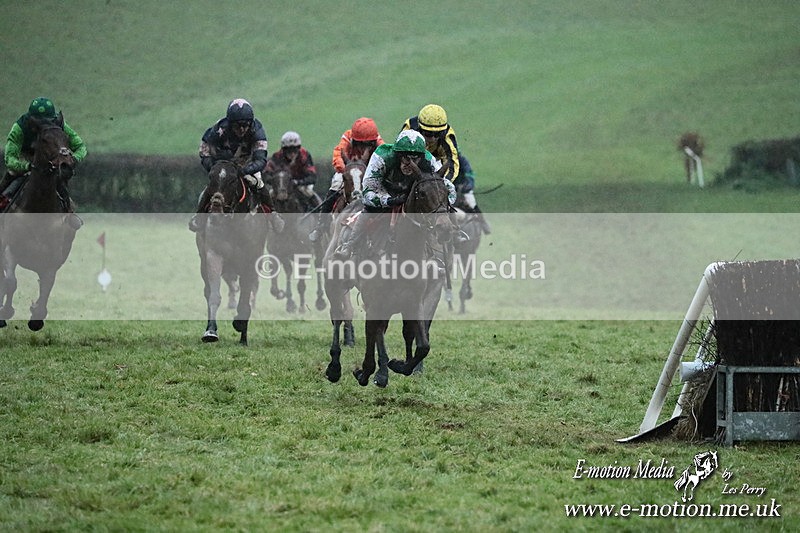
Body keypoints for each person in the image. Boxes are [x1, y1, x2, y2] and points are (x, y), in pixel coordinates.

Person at [333, 130, 455, 259]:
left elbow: (448, 189)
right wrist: (389, 200)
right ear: (398, 155)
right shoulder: (382, 157)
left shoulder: (428, 160)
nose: (411, 163)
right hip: (383, 190)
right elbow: (368, 193)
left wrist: (442, 205)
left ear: (422, 156)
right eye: (406, 158)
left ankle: (440, 251)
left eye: (415, 158)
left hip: (412, 194)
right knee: (368, 209)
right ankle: (349, 246)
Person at [402, 103, 489, 234]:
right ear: (419, 129)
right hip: (412, 161)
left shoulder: (448, 137)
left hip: (436, 166)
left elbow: (452, 164)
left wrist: (442, 183)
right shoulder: (408, 129)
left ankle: (459, 229)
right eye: (427, 133)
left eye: (437, 134)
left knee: (451, 198)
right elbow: (400, 156)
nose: (432, 138)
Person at [0, 97, 87, 222]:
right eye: (39, 123)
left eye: (48, 122)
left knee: (60, 179)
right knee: (12, 174)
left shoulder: (60, 125)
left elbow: (80, 147)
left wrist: (73, 159)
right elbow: (10, 158)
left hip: (50, 160)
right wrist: (26, 166)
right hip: (25, 158)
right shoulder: (19, 128)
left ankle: (69, 212)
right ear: (31, 120)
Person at [189, 98, 270, 232]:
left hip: (247, 164)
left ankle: (272, 215)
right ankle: (199, 217)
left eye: (246, 125)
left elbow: (261, 160)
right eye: (238, 125)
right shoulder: (219, 129)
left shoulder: (258, 131)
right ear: (230, 124)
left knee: (259, 184)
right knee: (212, 186)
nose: (242, 129)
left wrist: (244, 171)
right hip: (224, 164)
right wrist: (213, 168)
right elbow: (205, 149)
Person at [309, 117, 384, 241]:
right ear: (354, 140)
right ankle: (321, 225)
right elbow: (338, 154)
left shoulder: (379, 141)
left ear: (373, 141)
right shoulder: (347, 136)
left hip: (370, 173)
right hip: (348, 171)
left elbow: (386, 156)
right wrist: (346, 171)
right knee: (336, 184)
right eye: (359, 144)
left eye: (368, 144)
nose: (363, 147)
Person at [264, 130, 319, 212]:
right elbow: (266, 174)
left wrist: (298, 182)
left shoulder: (304, 155)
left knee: (309, 192)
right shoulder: (277, 156)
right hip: (281, 185)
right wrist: (275, 182)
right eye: (289, 150)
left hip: (300, 183)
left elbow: (312, 176)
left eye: (295, 150)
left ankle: (320, 215)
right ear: (283, 150)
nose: (292, 153)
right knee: (270, 195)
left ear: (298, 148)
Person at [454, 153, 491, 234]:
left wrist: (467, 186)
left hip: (463, 190)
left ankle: (483, 222)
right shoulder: (443, 159)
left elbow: (469, 175)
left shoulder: (463, 161)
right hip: (449, 189)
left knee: (471, 203)